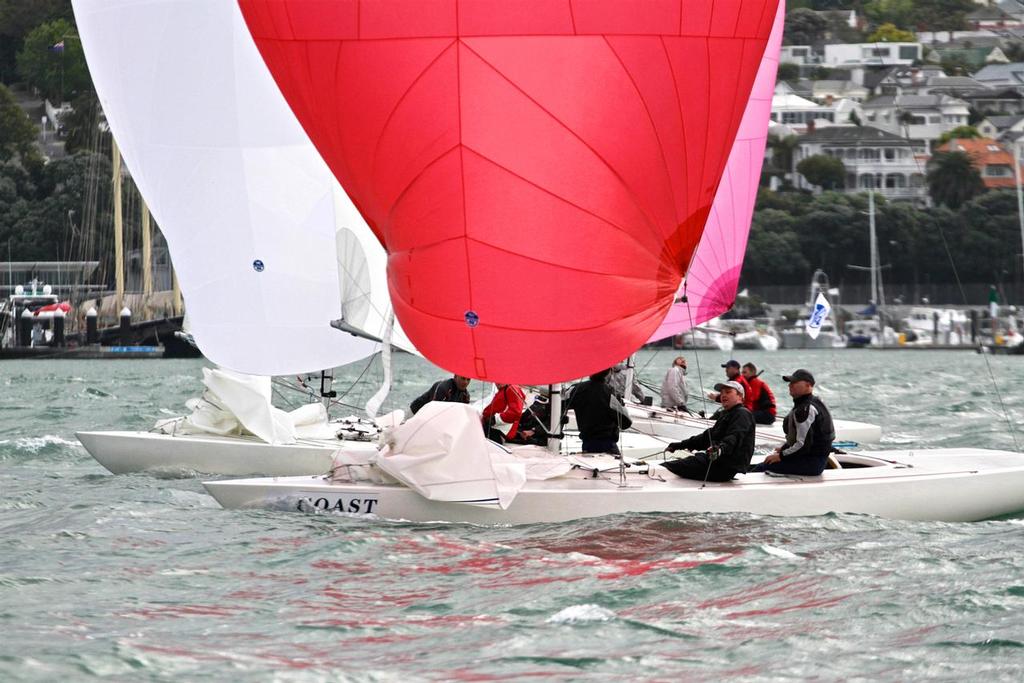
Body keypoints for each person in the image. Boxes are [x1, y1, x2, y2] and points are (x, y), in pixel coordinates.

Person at [660, 380, 755, 482]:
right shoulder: (727, 414)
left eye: (728, 392)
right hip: (716, 463)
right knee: (677, 464)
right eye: (722, 393)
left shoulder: (742, 414)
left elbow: (735, 436)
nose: (723, 395)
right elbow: (706, 437)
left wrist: (719, 449)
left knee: (669, 466)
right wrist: (679, 445)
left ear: (740, 396)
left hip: (724, 467)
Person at [753, 369, 835, 476]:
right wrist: (784, 448)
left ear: (808, 385)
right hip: (815, 460)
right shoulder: (814, 402)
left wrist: (781, 456)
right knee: (765, 463)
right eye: (790, 383)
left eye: (794, 382)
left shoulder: (806, 408)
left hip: (812, 463)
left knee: (762, 467)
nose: (790, 385)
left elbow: (802, 445)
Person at [564, 369, 633, 454]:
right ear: (608, 373)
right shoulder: (610, 394)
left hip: (587, 444)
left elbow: (559, 402)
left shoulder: (575, 389)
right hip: (607, 445)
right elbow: (626, 423)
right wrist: (621, 404)